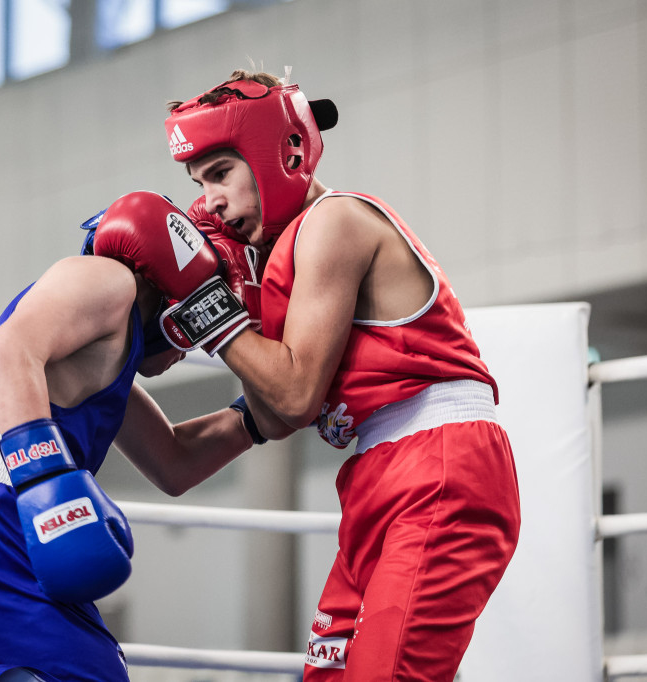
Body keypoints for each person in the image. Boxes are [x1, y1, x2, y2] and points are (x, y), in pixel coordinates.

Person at [162, 70, 522, 680]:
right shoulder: (285, 260)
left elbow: (298, 394)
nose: (209, 201)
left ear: (286, 152)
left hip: (439, 464)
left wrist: (208, 311)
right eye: (199, 184)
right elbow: (274, 413)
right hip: (378, 475)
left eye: (221, 173)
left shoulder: (335, 222)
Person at [0, 191, 267, 682]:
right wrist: (50, 483)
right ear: (177, 284)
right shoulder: (109, 279)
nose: (196, 346)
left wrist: (256, 419)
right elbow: (3, 353)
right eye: (201, 317)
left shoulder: (102, 355)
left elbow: (174, 460)